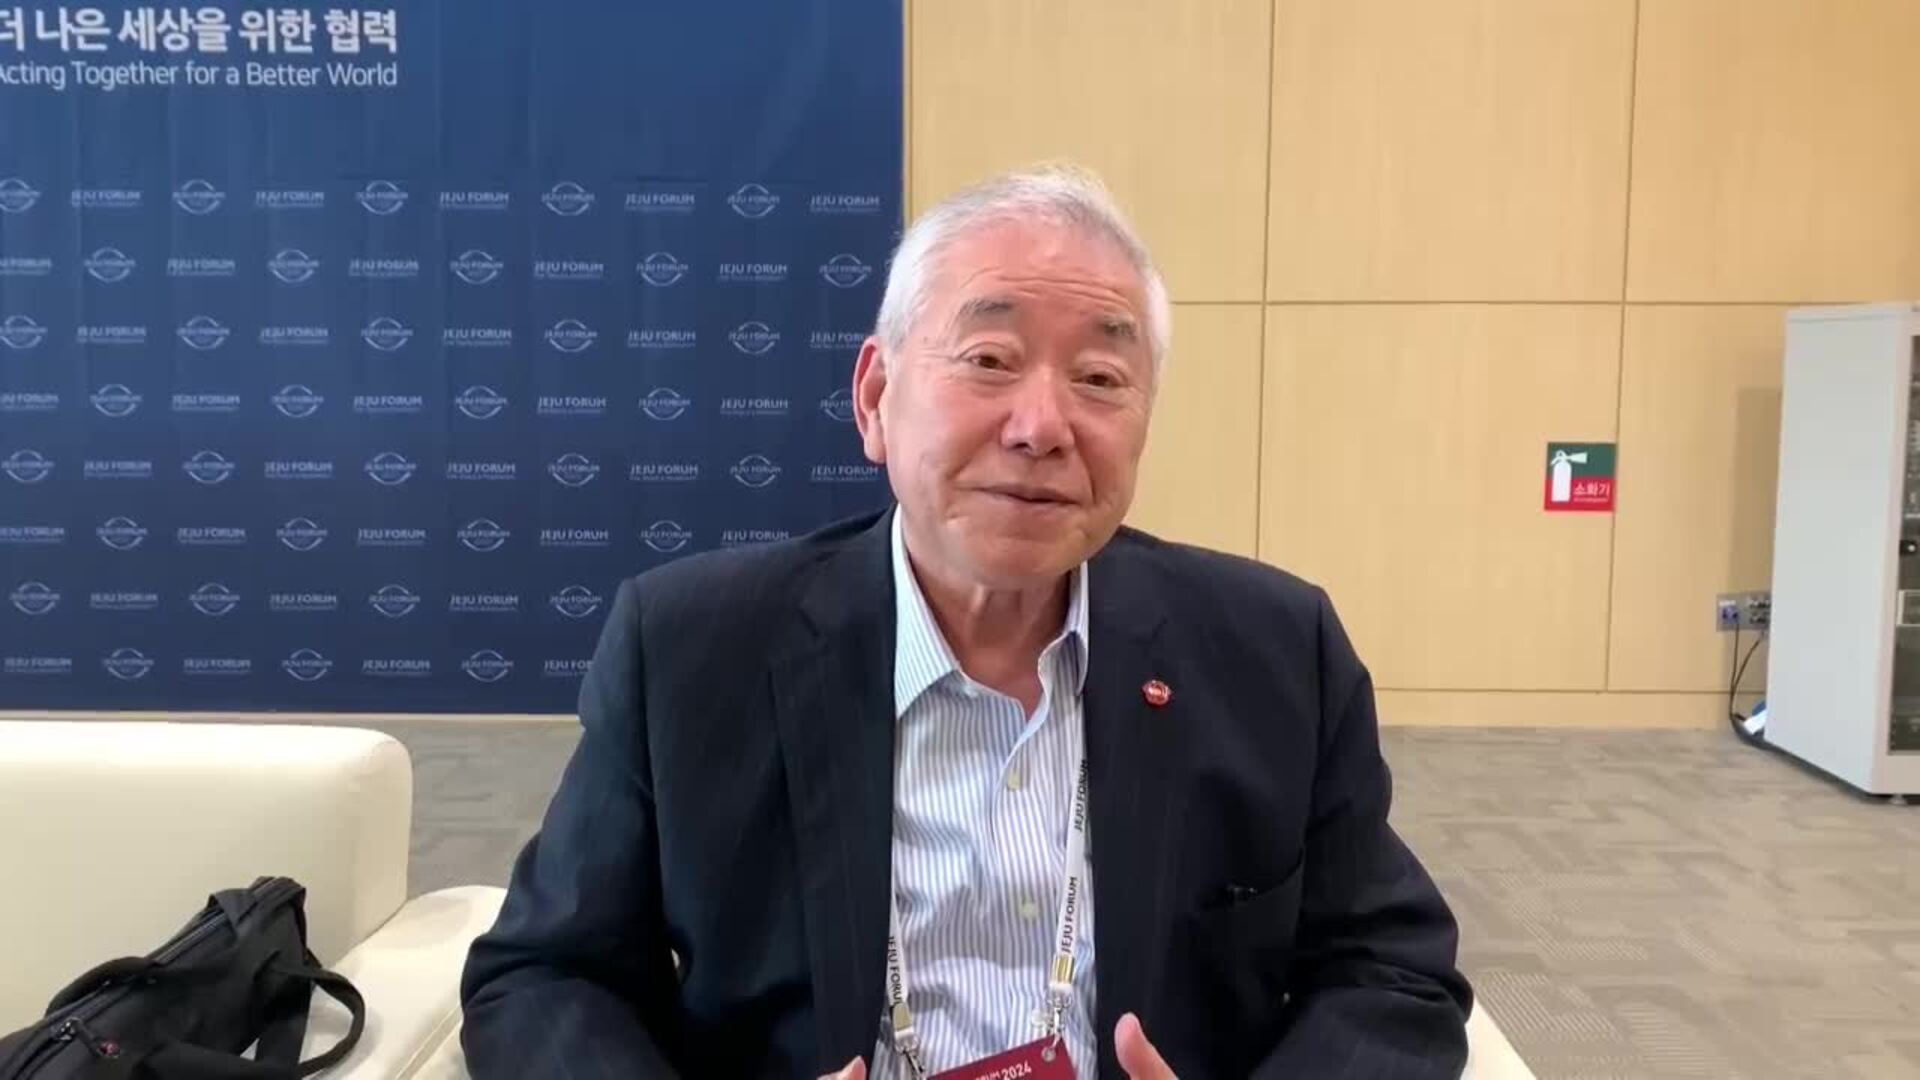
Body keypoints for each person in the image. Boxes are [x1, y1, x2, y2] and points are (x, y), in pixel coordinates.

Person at [460, 164, 1472, 1079]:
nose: (1042, 427)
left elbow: (1391, 972)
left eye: (1101, 380)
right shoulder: (691, 647)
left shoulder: (1274, 651)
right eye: (989, 359)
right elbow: (546, 976)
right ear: (875, 397)